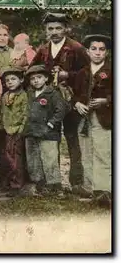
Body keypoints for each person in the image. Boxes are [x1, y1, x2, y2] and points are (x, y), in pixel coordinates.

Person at [30, 12, 90, 192]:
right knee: (49, 139)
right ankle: (52, 181)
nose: (54, 32)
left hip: (71, 100)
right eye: (50, 29)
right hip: (49, 102)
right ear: (46, 30)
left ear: (66, 29)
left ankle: (76, 182)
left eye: (58, 28)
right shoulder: (43, 49)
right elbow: (32, 70)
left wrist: (68, 75)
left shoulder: (76, 48)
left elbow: (87, 73)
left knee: (73, 139)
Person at [73, 34, 112, 207]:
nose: (97, 53)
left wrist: (106, 100)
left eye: (101, 49)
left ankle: (104, 190)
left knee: (103, 153)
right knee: (86, 153)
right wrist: (77, 104)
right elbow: (73, 94)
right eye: (94, 49)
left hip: (104, 118)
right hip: (84, 119)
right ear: (88, 52)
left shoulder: (112, 71)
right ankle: (89, 188)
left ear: (107, 52)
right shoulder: (82, 72)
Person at [23, 65, 69, 196]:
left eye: (39, 77)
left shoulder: (52, 93)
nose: (36, 81)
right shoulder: (29, 93)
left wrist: (51, 123)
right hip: (31, 131)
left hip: (48, 132)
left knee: (50, 158)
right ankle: (39, 184)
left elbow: (61, 109)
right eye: (32, 79)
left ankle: (54, 185)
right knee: (33, 159)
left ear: (46, 78)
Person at [0, 67, 28, 196]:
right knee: (8, 157)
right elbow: (3, 113)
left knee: (17, 158)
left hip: (17, 131)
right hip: (7, 130)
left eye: (13, 79)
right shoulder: (5, 96)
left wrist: (21, 130)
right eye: (7, 80)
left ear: (21, 80)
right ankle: (7, 182)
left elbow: (25, 114)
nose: (10, 82)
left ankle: (17, 185)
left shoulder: (23, 96)